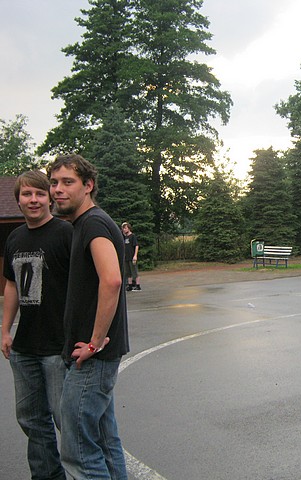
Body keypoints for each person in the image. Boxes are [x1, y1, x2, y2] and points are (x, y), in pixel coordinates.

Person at [48, 154, 130, 479]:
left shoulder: (93, 223)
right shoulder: (84, 224)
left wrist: (94, 343)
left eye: (68, 182)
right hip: (91, 355)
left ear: (88, 185)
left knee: (79, 451)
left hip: (92, 358)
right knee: (106, 443)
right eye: (54, 182)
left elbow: (112, 280)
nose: (58, 189)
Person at [2, 171, 73, 480]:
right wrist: (5, 330)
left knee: (66, 421)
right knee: (31, 420)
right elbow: (11, 285)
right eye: (27, 194)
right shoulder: (14, 238)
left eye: (40, 194)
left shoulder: (65, 233)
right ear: (18, 200)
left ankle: (86, 474)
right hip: (24, 348)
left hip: (59, 347)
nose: (33, 200)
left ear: (49, 199)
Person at [122, 222, 141, 291]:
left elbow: (136, 246)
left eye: (125, 228)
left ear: (129, 228)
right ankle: (130, 285)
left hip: (132, 256)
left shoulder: (132, 236)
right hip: (126, 257)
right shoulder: (124, 237)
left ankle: (138, 285)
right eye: (123, 228)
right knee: (128, 272)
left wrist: (135, 255)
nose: (124, 229)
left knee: (134, 271)